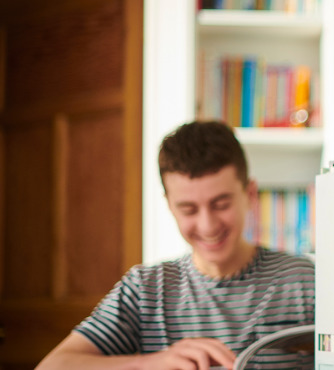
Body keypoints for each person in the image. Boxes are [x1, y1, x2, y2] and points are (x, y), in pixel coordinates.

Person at [36, 121, 316, 369]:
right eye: (189, 209)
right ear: (169, 205)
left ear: (250, 194)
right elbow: (53, 365)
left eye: (221, 204)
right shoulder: (145, 288)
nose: (207, 225)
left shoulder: (304, 280)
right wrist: (149, 363)